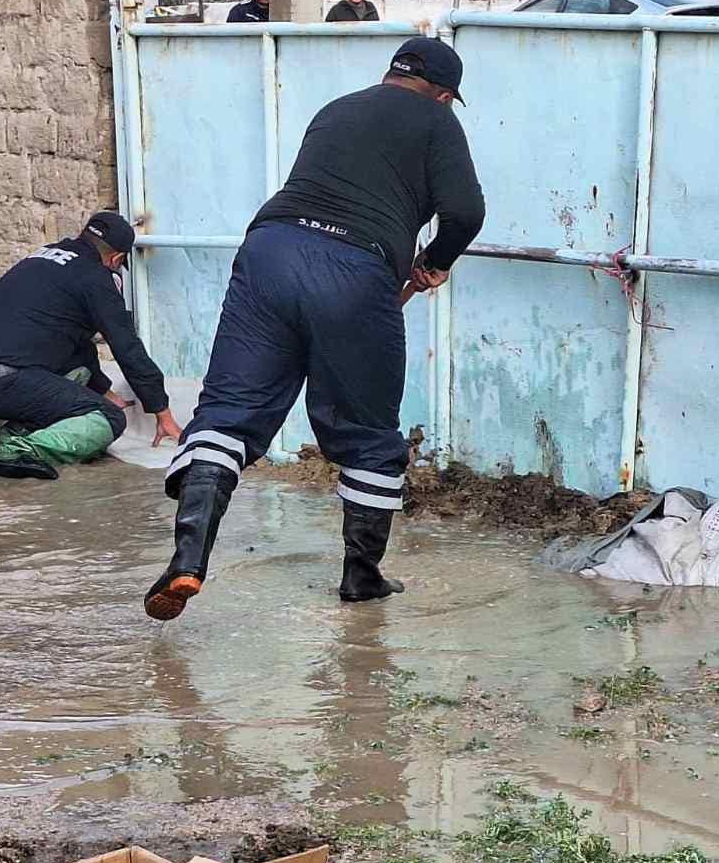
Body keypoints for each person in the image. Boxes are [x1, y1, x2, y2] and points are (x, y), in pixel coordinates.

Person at [144, 38, 485, 621]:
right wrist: (436, 259)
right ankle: (362, 577)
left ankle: (187, 560)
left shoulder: (336, 108)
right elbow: (466, 212)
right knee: (366, 431)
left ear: (390, 72)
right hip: (355, 268)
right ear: (445, 94)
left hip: (269, 251)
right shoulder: (437, 121)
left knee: (229, 411)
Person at [0, 211, 182, 480]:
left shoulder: (45, 255)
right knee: (109, 419)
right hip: (8, 379)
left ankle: (20, 429)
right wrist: (162, 412)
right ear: (116, 259)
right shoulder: (95, 277)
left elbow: (75, 342)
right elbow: (127, 348)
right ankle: (18, 451)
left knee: (80, 376)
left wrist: (103, 390)